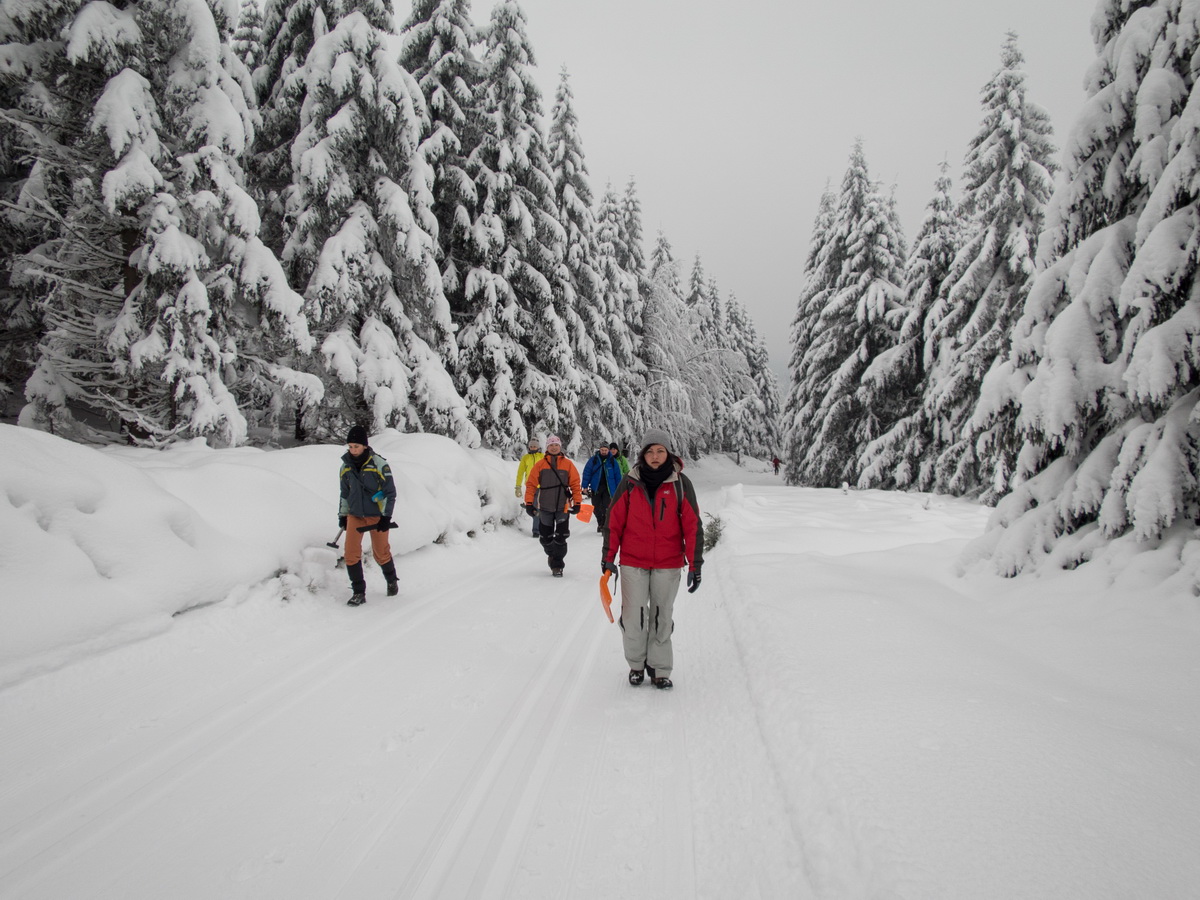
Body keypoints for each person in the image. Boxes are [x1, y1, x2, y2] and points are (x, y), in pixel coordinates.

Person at [601, 428, 703, 689]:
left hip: (668, 564)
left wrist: (695, 564)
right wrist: (608, 558)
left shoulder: (681, 484)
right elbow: (614, 522)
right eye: (650, 451)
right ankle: (636, 664)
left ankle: (659, 668)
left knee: (661, 617)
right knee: (633, 617)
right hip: (633, 562)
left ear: (668, 453)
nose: (655, 456)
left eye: (660, 451)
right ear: (643, 455)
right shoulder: (630, 482)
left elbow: (692, 526)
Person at [338, 424, 398, 606]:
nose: (353, 450)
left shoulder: (379, 464)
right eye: (350, 446)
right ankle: (358, 592)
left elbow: (390, 493)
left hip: (377, 514)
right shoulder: (345, 466)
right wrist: (343, 515)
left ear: (364, 445)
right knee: (351, 553)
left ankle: (391, 580)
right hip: (355, 515)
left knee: (381, 553)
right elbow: (344, 493)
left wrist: (386, 517)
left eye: (356, 446)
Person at [524, 435, 582, 576]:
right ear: (547, 447)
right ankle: (552, 554)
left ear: (560, 447)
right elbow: (531, 485)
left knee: (562, 536)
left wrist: (577, 502)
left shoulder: (568, 464)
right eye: (551, 445)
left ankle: (557, 565)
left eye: (556, 445)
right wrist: (529, 503)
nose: (554, 447)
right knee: (545, 538)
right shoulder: (540, 465)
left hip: (563, 507)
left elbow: (575, 484)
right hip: (545, 506)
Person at [581, 441, 623, 532]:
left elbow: (618, 476)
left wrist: (619, 488)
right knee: (596, 507)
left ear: (608, 450)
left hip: (608, 488)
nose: (604, 452)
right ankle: (600, 522)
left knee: (606, 507)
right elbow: (587, 473)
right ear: (599, 450)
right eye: (602, 450)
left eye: (605, 450)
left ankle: (603, 525)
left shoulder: (613, 461)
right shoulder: (593, 460)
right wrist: (585, 486)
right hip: (596, 488)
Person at [514, 437, 544, 538]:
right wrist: (518, 486)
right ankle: (536, 530)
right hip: (531, 487)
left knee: (541, 509)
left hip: (542, 487)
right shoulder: (526, 458)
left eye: (535, 446)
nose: (533, 448)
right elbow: (520, 473)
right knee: (535, 509)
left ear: (538, 447)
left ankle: (541, 529)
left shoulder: (543, 457)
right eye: (531, 446)